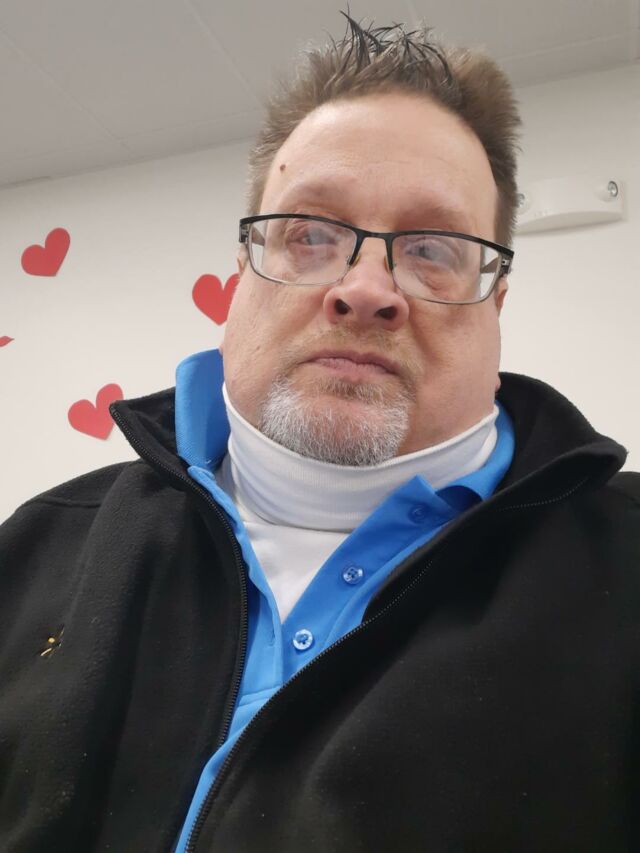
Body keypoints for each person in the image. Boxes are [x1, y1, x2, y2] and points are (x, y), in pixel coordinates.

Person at [1, 14, 638, 853]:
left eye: (434, 248)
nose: (365, 289)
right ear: (242, 275)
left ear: (497, 302)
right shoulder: (35, 546)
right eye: (310, 234)